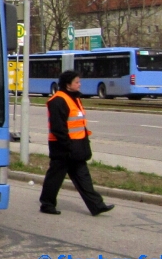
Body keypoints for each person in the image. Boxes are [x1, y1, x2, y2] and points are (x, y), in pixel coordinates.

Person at [39, 70, 115, 216]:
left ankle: (97, 205)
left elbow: (79, 124)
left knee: (83, 177)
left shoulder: (74, 98)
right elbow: (58, 127)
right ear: (68, 85)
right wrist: (68, 146)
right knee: (55, 177)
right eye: (77, 82)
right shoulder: (58, 100)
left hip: (76, 146)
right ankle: (47, 204)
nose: (80, 84)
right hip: (63, 147)